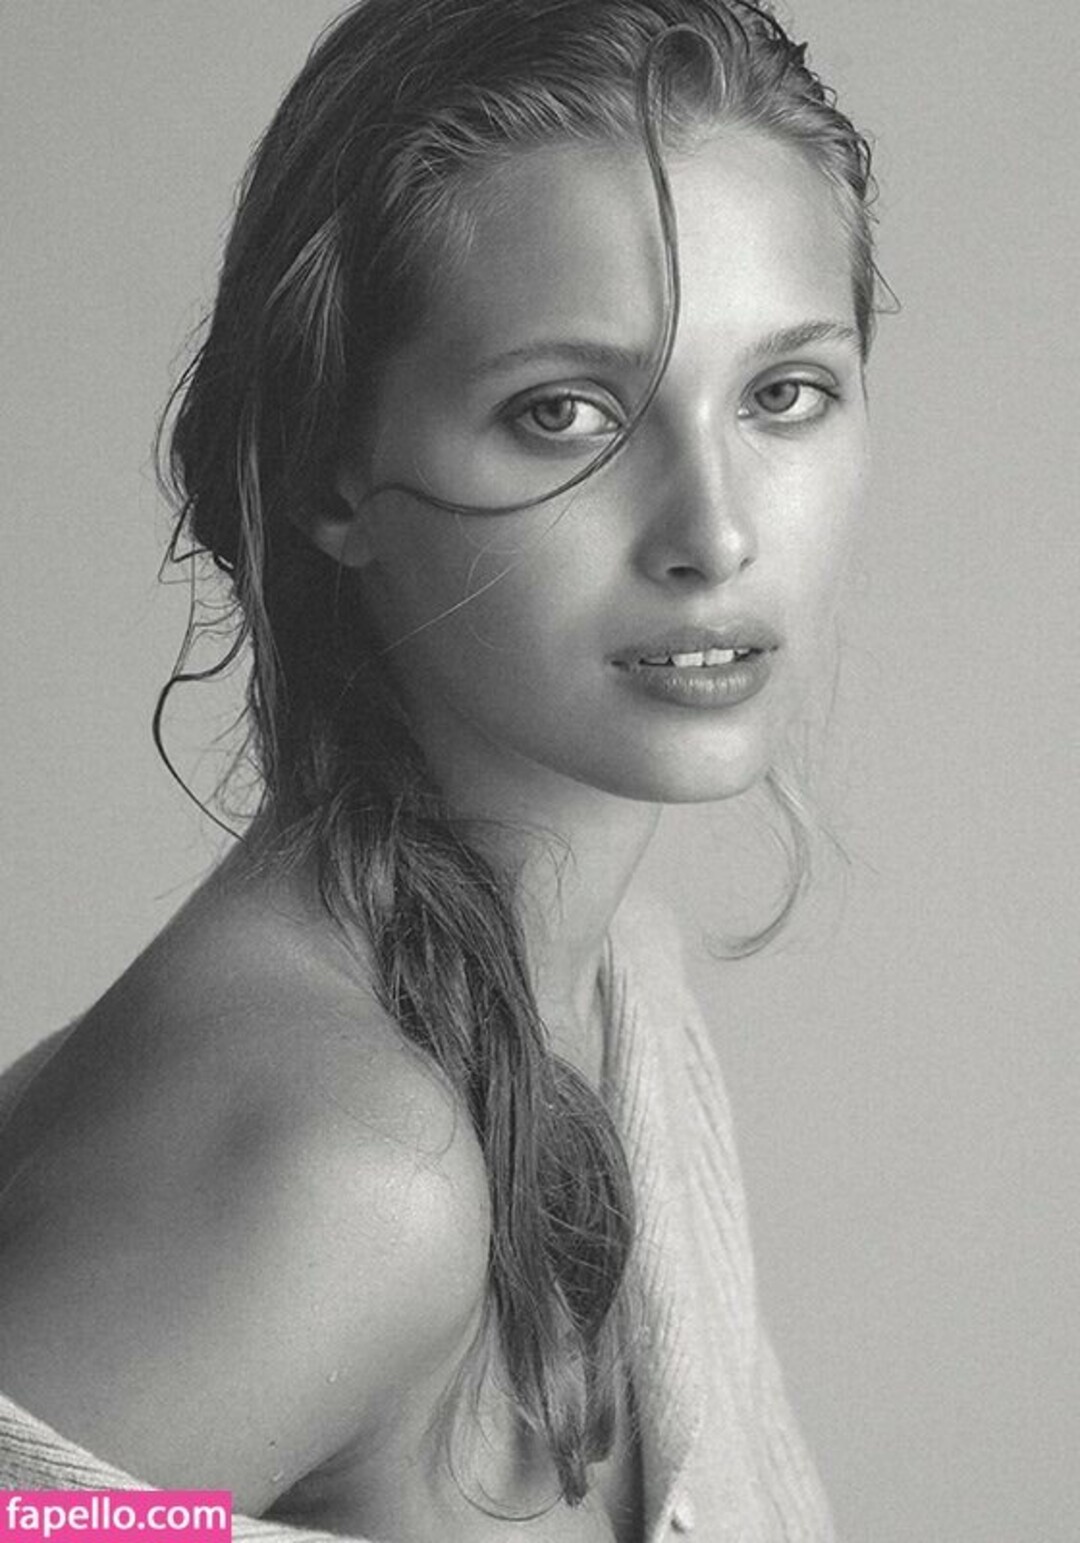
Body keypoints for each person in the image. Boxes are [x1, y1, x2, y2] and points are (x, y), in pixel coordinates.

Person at [0, 2, 878, 1538]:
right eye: (565, 413)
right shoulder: (347, 1177)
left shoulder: (615, 992)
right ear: (333, 473)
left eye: (782, 393)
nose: (718, 532)